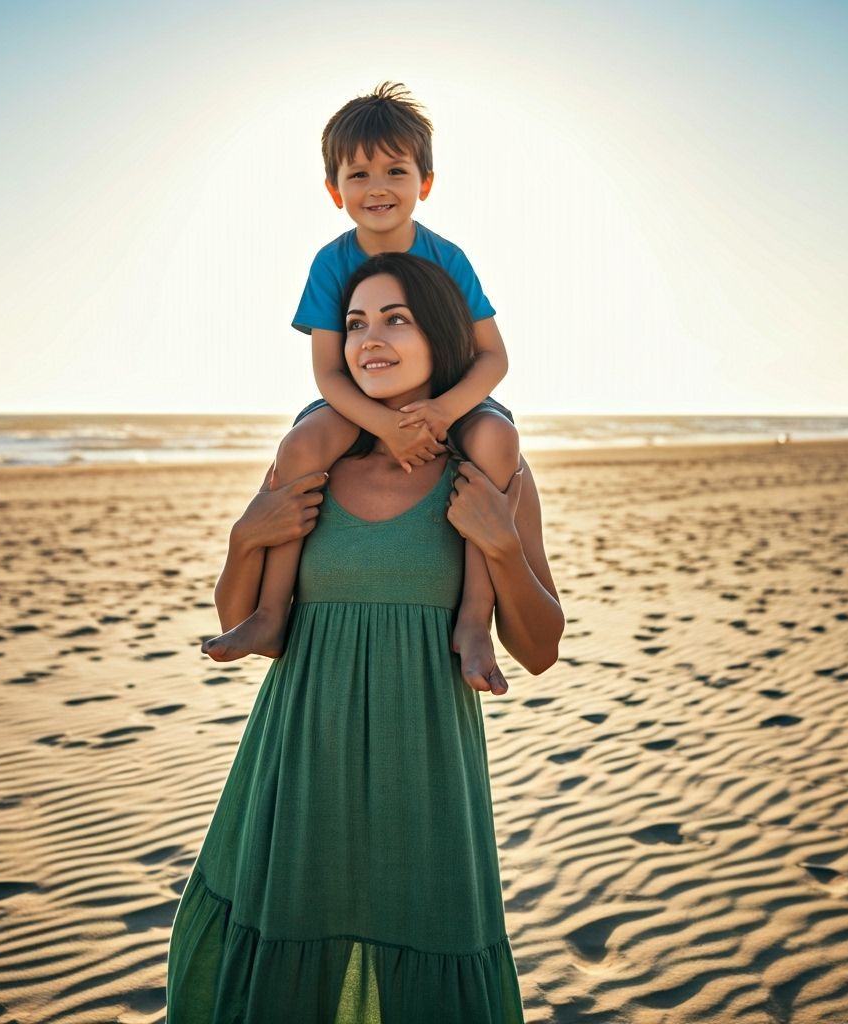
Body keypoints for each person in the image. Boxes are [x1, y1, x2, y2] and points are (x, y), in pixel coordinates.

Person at [165, 254, 563, 1023]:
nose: (368, 340)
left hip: (427, 780)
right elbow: (239, 618)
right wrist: (246, 537)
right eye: (354, 324)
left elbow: (540, 650)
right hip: (295, 763)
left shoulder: (485, 463)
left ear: (441, 337)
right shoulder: (314, 453)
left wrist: (504, 548)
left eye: (395, 319)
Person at [204, 83, 521, 700]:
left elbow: (494, 356)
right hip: (358, 404)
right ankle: (271, 610)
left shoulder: (448, 258)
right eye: (359, 173)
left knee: (495, 440)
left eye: (396, 170)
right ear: (335, 190)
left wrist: (441, 412)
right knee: (300, 445)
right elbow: (327, 374)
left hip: (446, 399)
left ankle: (475, 623)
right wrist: (383, 425)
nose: (378, 186)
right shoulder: (330, 262)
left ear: (426, 182)